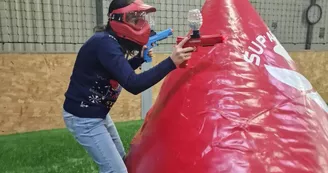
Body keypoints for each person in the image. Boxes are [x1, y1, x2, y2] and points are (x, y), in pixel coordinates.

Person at [62, 0, 194, 172]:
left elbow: (117, 72)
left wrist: (139, 58)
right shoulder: (104, 43)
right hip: (84, 118)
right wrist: (171, 62)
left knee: (123, 162)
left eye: (141, 19)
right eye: (134, 19)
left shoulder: (108, 42)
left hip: (96, 114)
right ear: (117, 20)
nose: (140, 24)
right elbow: (133, 84)